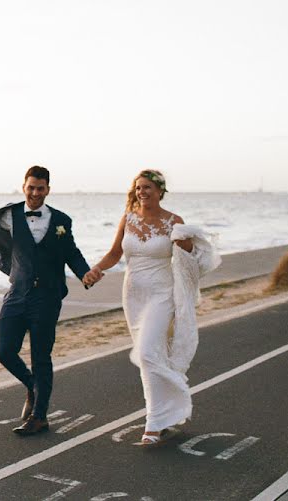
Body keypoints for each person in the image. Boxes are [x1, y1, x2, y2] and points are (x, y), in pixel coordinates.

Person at [83, 169, 220, 447]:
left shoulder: (174, 222)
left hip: (162, 293)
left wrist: (186, 245)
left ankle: (155, 421)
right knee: (150, 356)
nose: (141, 192)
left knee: (146, 354)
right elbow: (114, 254)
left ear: (160, 191)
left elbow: (192, 258)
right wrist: (96, 269)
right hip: (133, 293)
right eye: (137, 188)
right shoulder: (128, 219)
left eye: (146, 187)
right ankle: (163, 415)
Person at [0, 165, 93, 436]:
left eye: (40, 188)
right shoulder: (10, 216)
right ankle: (32, 386)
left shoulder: (61, 220)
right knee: (4, 351)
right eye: (30, 187)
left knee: (41, 356)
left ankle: (39, 416)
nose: (35, 192)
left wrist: (85, 274)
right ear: (24, 187)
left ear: (47, 189)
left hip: (47, 297)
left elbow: (71, 251)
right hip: (17, 294)